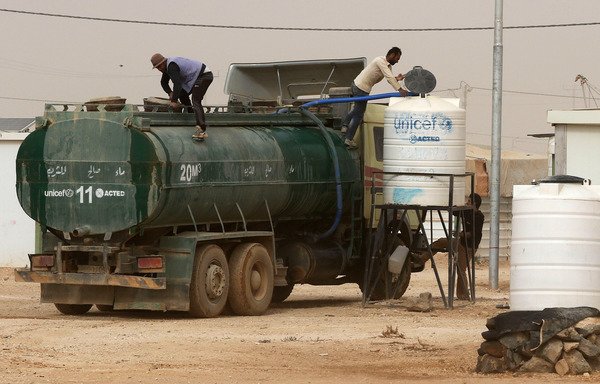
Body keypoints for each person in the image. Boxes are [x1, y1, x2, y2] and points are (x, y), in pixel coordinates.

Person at [342, 47, 409, 149]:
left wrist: (397, 79)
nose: (397, 61)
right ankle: (348, 138)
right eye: (397, 58)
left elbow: (389, 78)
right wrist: (400, 89)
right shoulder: (380, 61)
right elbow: (389, 77)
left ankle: (345, 126)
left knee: (357, 110)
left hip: (361, 87)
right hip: (361, 87)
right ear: (392, 55)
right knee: (359, 114)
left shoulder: (388, 67)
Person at [424, 193, 485, 300]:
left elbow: (473, 234)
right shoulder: (467, 212)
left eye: (469, 201)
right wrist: (452, 207)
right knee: (441, 242)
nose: (467, 203)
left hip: (469, 247)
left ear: (474, 204)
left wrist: (461, 234)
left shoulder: (479, 217)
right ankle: (421, 258)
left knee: (461, 270)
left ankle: (464, 295)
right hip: (461, 242)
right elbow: (454, 212)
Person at [150, 53, 214, 140]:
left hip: (204, 75)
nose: (159, 69)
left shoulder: (171, 66)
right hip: (193, 78)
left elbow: (177, 84)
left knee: (196, 99)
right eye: (157, 68)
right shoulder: (166, 68)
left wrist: (173, 101)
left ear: (164, 62)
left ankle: (202, 129)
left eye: (160, 66)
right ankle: (191, 114)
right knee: (181, 94)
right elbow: (163, 82)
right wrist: (170, 93)